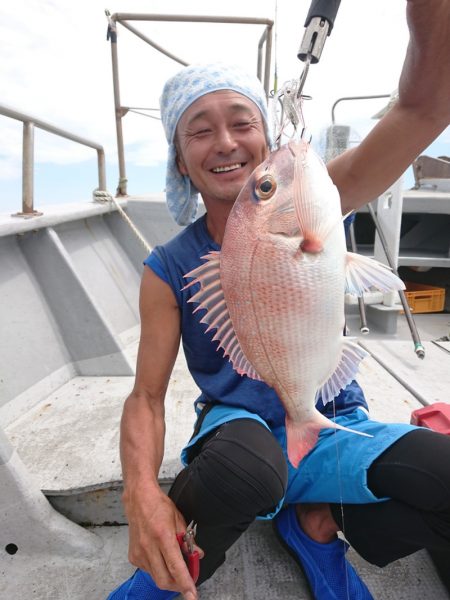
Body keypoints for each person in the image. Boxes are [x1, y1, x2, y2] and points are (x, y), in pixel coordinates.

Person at [108, 2, 450, 599]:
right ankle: (166, 573)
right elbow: (146, 395)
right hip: (240, 430)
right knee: (246, 467)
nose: (225, 142)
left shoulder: (317, 200)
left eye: (241, 121)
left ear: (267, 134)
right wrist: (139, 491)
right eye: (199, 130)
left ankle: (318, 523)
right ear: (180, 163)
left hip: (332, 420)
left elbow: (423, 108)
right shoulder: (167, 268)